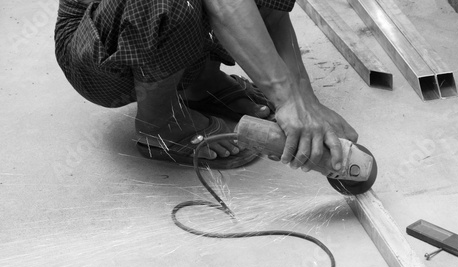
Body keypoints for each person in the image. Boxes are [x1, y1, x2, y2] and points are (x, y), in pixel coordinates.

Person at [55, 0, 358, 172]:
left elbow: (271, 12)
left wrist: (304, 97)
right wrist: (287, 100)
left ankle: (199, 81)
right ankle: (160, 122)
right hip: (96, 50)